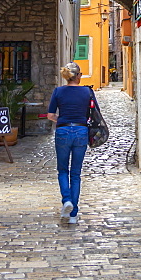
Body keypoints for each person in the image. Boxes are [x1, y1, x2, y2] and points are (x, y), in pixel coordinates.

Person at [46, 62, 94, 224]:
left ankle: (66, 200)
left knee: (62, 170)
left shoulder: (58, 91)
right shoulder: (87, 92)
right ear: (78, 75)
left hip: (63, 131)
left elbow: (50, 115)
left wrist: (62, 119)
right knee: (76, 173)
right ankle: (73, 214)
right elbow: (93, 114)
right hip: (81, 131)